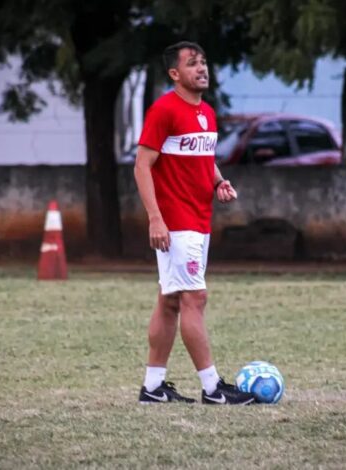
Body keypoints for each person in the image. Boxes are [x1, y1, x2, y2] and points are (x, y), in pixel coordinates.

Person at [133, 41, 255, 405]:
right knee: (194, 298)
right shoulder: (164, 110)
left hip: (199, 220)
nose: (202, 68)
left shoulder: (207, 112)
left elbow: (203, 156)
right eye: (192, 64)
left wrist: (218, 181)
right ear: (175, 73)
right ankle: (212, 388)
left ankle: (153, 388)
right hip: (176, 223)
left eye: (204, 62)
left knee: (170, 301)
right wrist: (155, 218)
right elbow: (142, 166)